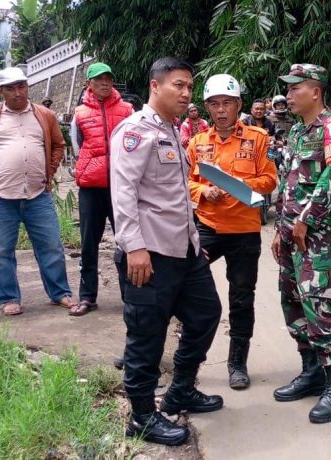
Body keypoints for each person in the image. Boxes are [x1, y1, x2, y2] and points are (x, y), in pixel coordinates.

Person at [110, 57, 224, 446]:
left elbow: (176, 195)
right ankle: (141, 416)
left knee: (206, 314)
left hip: (184, 249)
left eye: (190, 87)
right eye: (179, 85)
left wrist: (195, 240)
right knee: (146, 335)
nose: (186, 93)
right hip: (150, 253)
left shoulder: (174, 131)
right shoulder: (134, 132)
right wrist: (134, 247)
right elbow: (123, 193)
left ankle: (180, 391)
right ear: (155, 86)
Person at [271, 63, 331, 424]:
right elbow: (289, 183)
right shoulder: (298, 133)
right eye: (287, 89)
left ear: (315, 91)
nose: (288, 95)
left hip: (314, 235)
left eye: (295, 88)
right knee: (291, 301)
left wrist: (306, 219)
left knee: (317, 304)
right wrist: (281, 227)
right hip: (291, 233)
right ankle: (311, 370)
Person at [187, 75, 277, 390]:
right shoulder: (197, 143)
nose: (221, 110)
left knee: (241, 298)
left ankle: (237, 363)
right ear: (207, 107)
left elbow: (269, 180)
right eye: (214, 104)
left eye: (227, 103)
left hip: (244, 231)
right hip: (207, 228)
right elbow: (184, 182)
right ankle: (188, 357)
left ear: (238, 105)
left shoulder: (258, 137)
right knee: (187, 286)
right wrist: (202, 191)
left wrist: (238, 187)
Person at [0, 67, 77, 316]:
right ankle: (8, 298)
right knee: (2, 251)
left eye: (21, 86)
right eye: (10, 88)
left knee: (51, 247)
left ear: (27, 86)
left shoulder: (44, 115)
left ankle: (60, 293)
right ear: (1, 91)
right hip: (1, 196)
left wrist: (50, 169)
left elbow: (58, 144)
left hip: (38, 195)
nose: (17, 92)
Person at [69, 62, 133, 316]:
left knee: (127, 240)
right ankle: (87, 297)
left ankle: (131, 295)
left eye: (108, 79)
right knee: (88, 243)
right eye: (99, 80)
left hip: (121, 187)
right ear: (89, 84)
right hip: (91, 187)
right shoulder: (80, 113)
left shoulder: (128, 110)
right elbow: (76, 146)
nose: (105, 83)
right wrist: (87, 169)